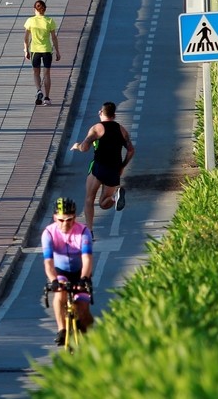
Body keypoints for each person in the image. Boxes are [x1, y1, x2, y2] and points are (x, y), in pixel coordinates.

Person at [70, 102, 135, 237]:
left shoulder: (97, 128)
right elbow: (131, 150)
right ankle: (114, 197)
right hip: (114, 169)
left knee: (89, 199)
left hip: (99, 167)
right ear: (114, 115)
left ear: (100, 112)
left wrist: (77, 146)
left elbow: (85, 147)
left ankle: (90, 232)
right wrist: (122, 166)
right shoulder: (121, 129)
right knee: (104, 203)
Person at [41, 197, 93, 345]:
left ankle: (86, 336)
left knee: (83, 308)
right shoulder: (48, 233)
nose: (65, 224)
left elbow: (87, 259)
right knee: (59, 294)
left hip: (80, 271)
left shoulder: (83, 232)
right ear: (54, 218)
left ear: (75, 217)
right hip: (60, 271)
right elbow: (48, 262)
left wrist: (84, 278)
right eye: (61, 220)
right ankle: (62, 329)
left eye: (69, 220)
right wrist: (54, 281)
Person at [24, 0, 62, 106]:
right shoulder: (49, 21)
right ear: (45, 9)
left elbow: (26, 38)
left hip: (35, 50)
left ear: (35, 9)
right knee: (47, 74)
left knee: (36, 73)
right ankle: (47, 98)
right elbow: (54, 38)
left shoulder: (30, 21)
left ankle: (38, 90)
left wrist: (26, 50)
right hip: (47, 50)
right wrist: (58, 51)